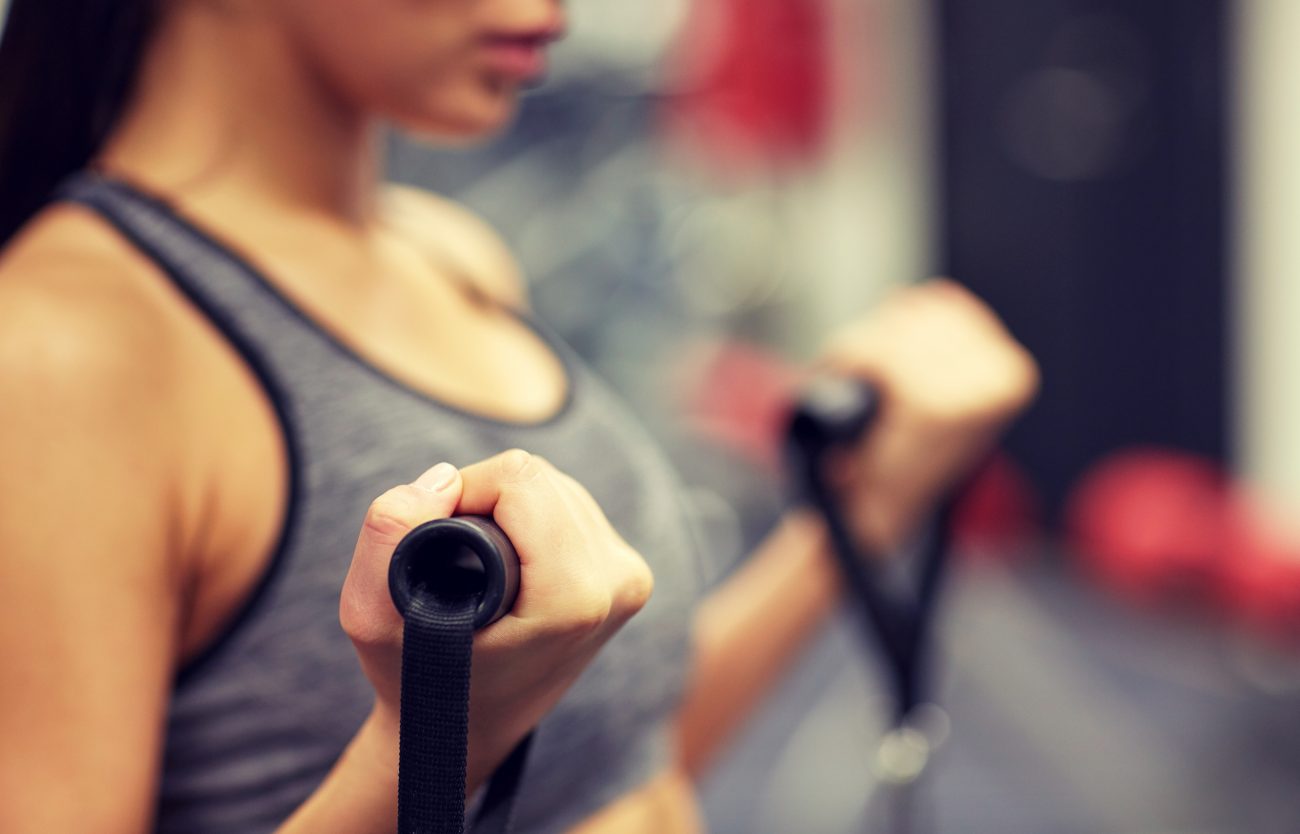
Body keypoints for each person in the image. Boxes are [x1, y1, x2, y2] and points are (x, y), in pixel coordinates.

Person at [0, 1, 1039, 832]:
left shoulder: (449, 254)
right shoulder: (62, 349)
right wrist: (425, 748)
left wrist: (858, 516)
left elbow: (615, 761)